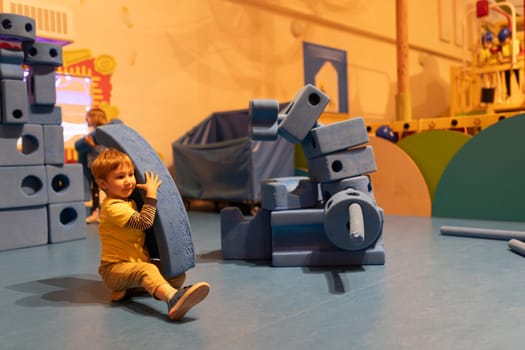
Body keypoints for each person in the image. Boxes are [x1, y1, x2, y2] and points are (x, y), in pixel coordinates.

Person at [90, 148, 210, 321]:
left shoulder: (129, 202)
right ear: (103, 185)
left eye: (131, 174)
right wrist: (151, 194)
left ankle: (127, 290)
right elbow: (143, 222)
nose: (128, 181)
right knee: (147, 270)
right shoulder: (112, 208)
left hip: (134, 265)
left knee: (176, 276)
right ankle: (173, 299)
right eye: (120, 177)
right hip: (114, 270)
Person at [75, 107, 109, 224]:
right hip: (93, 166)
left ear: (94, 118)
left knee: (106, 189)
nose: (86, 120)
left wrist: (92, 145)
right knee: (95, 190)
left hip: (101, 166)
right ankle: (95, 213)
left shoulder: (102, 134)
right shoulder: (92, 134)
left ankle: (107, 212)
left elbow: (105, 152)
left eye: (88, 117)